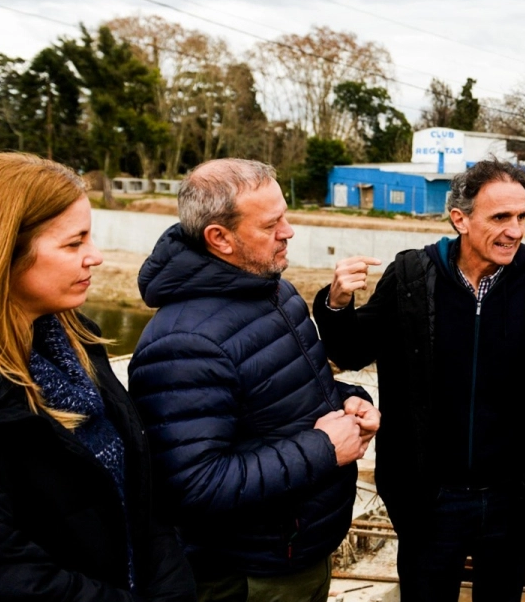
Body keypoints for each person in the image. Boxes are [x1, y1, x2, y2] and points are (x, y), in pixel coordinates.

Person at [313, 159, 525, 602]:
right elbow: (352, 352)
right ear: (460, 219)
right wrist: (337, 303)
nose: (515, 230)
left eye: (522, 216)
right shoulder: (413, 276)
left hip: (512, 501)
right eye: (500, 217)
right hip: (429, 501)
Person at [128, 159, 379, 602]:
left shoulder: (272, 288)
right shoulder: (183, 342)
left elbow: (283, 395)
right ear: (219, 238)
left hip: (296, 551)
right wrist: (323, 448)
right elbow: (192, 485)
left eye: (285, 214)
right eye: (271, 223)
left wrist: (348, 402)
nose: (289, 231)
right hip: (251, 575)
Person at [0, 153, 195, 601]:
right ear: (1, 251)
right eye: (74, 244)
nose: (96, 257)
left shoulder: (78, 341)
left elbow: (141, 498)